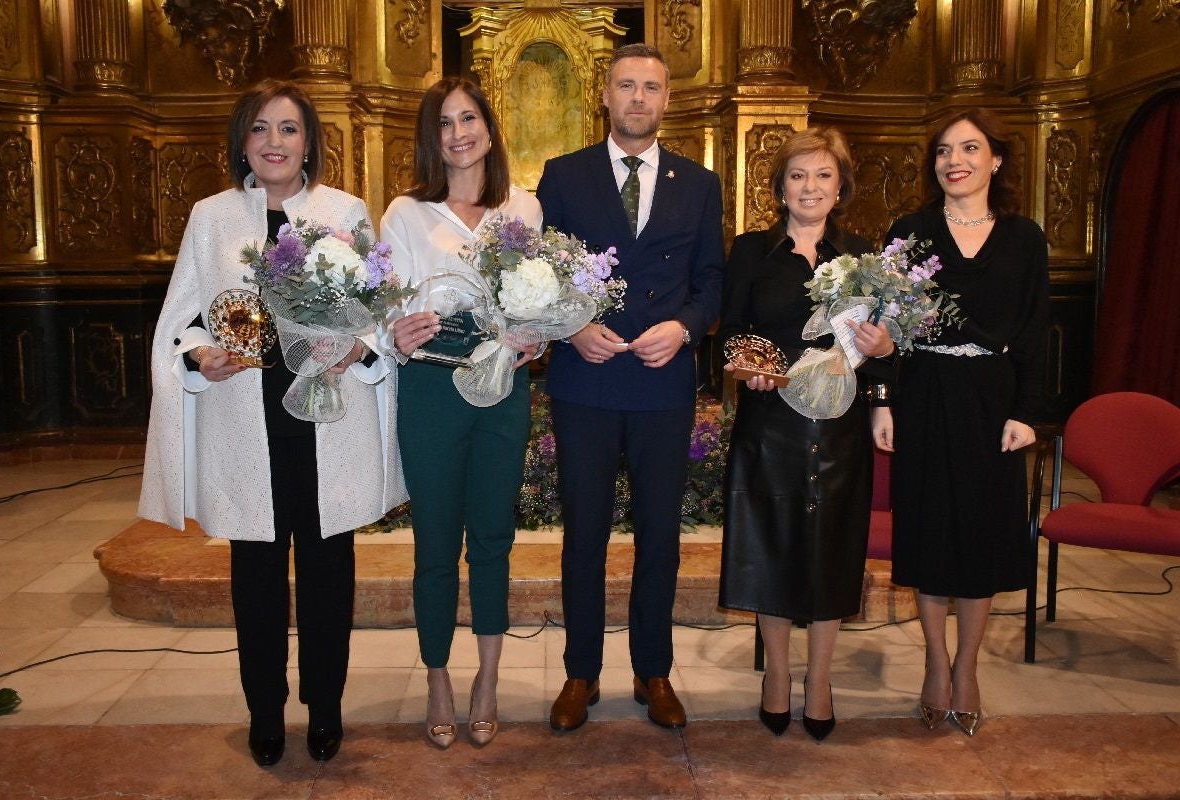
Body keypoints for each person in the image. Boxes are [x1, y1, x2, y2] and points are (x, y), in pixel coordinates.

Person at [138, 79, 406, 766]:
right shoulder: (212, 217)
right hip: (245, 421)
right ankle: (264, 708)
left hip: (327, 418)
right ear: (242, 142)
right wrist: (201, 355)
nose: (274, 143)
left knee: (327, 573)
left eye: (288, 129)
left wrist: (358, 347)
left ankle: (325, 706)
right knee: (255, 577)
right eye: (260, 129)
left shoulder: (345, 212)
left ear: (309, 141)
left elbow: (378, 313)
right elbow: (183, 319)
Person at [538, 43, 723, 731]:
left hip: (661, 382)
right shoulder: (562, 177)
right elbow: (541, 277)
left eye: (651, 87)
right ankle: (580, 675)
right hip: (584, 379)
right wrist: (571, 325)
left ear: (667, 99)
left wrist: (685, 328)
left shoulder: (699, 184)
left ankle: (654, 673)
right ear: (605, 96)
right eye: (626, 85)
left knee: (660, 537)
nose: (638, 98)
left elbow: (712, 281)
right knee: (583, 534)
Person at [872, 108, 1049, 736]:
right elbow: (882, 327)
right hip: (924, 392)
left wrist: (1028, 412)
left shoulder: (1025, 237)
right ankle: (935, 662)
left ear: (995, 160)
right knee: (929, 531)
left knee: (981, 533)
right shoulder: (911, 230)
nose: (955, 161)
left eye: (969, 148)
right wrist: (882, 400)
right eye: (945, 150)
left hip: (993, 401)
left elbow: (1033, 330)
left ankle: (968, 668)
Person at [716, 128, 895, 741]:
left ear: (840, 186)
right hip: (772, 420)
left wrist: (883, 350)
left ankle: (819, 683)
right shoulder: (749, 252)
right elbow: (733, 330)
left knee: (833, 548)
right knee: (772, 544)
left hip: (839, 422)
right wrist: (748, 368)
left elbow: (884, 348)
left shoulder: (866, 257)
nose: (810, 187)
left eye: (822, 175)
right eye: (797, 175)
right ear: (779, 187)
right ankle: (775, 678)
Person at [378, 78, 542, 749]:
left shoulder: (522, 207)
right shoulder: (404, 213)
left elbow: (544, 293)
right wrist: (397, 329)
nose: (457, 134)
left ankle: (489, 677)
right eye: (443, 123)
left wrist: (539, 333)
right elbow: (383, 296)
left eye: (468, 118)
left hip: (503, 383)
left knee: (494, 538)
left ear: (489, 127)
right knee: (437, 542)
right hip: (431, 388)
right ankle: (440, 675)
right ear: (430, 137)